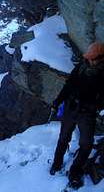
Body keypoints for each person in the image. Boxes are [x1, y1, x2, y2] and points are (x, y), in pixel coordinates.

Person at [49, 42, 104, 189]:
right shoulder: (81, 66)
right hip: (71, 107)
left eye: (94, 58)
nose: (90, 60)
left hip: (87, 113)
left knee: (86, 144)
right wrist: (58, 101)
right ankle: (56, 164)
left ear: (101, 58)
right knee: (63, 138)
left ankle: (75, 173)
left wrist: (96, 106)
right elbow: (68, 85)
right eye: (89, 57)